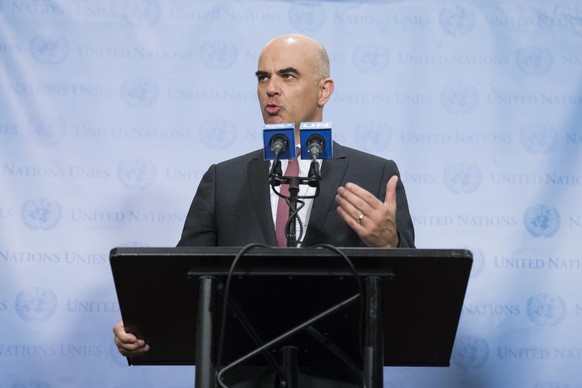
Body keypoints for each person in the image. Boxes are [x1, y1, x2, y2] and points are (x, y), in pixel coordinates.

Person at [113, 33, 415, 386]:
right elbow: (186, 283)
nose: (271, 89)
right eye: (262, 77)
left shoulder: (375, 174)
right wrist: (144, 328)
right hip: (239, 377)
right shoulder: (223, 179)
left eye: (287, 76)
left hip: (337, 377)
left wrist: (389, 244)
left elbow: (411, 301)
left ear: (324, 90)